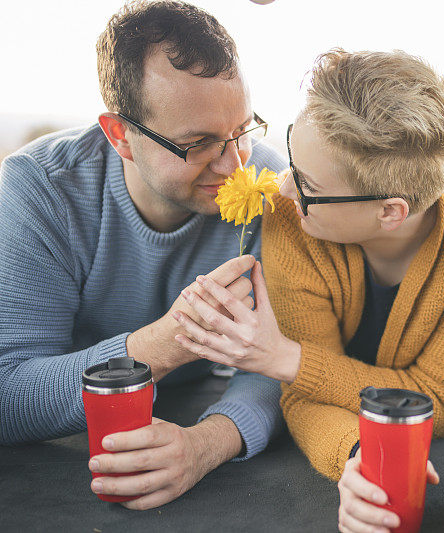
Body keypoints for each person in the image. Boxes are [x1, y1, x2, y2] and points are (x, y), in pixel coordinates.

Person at [174, 49, 444, 532]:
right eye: (290, 154)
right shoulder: (292, 216)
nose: (281, 189)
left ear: (391, 212)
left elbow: (438, 406)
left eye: (306, 182)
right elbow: (301, 397)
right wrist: (360, 455)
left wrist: (287, 359)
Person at [0, 0, 285, 510]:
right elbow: (9, 394)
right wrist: (174, 339)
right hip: (73, 437)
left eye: (241, 129)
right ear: (121, 135)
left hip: (208, 407)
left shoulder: (267, 183)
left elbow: (279, 365)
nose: (234, 164)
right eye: (197, 143)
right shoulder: (38, 190)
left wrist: (206, 444)